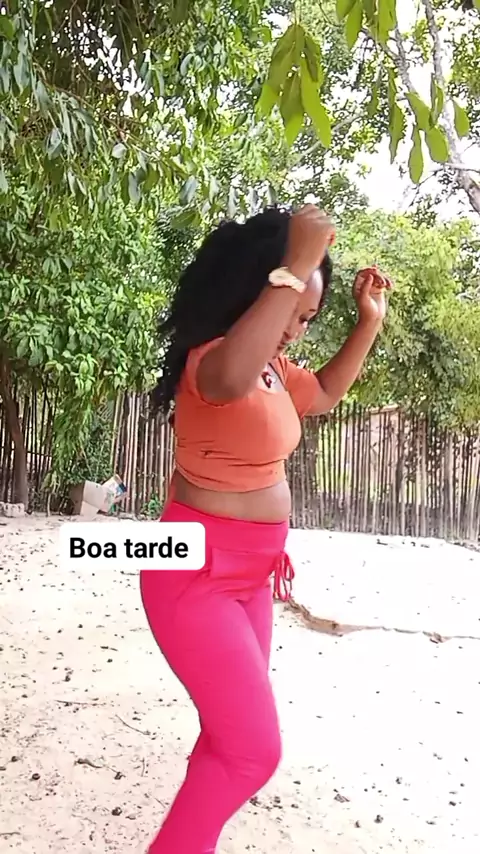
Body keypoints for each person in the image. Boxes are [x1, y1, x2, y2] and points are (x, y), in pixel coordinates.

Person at [140, 204, 391, 854]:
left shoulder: (275, 371)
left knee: (227, 740)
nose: (295, 332)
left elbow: (326, 393)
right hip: (195, 578)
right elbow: (229, 378)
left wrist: (368, 322)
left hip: (249, 580)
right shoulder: (213, 361)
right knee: (253, 752)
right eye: (292, 313)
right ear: (260, 289)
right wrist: (298, 262)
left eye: (306, 319)